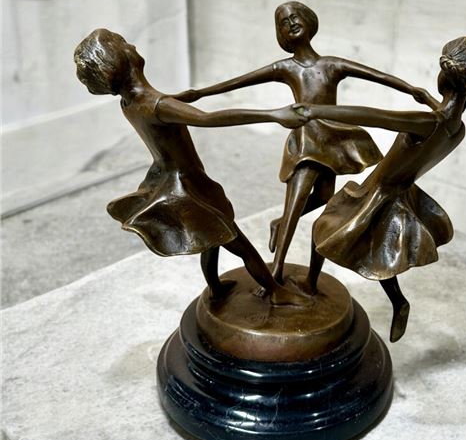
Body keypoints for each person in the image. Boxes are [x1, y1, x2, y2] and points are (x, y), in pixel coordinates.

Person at [173, 1, 432, 294]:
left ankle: (280, 222)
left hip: (333, 142)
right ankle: (276, 271)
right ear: (280, 34)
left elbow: (379, 76)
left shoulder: (332, 64)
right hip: (307, 143)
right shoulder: (285, 68)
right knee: (295, 206)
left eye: (295, 17)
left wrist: (414, 90)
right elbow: (237, 83)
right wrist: (197, 93)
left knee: (323, 199)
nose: (291, 23)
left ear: (309, 21)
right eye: (283, 22)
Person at [74, 28, 309, 306]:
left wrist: (178, 100)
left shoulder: (129, 103)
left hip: (166, 178)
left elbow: (161, 111)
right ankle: (275, 290)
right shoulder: (157, 104)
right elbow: (208, 118)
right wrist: (273, 114)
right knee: (238, 242)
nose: (132, 45)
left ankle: (216, 288)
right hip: (188, 184)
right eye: (123, 42)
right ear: (118, 60)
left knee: (211, 235)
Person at [296, 36, 466, 340]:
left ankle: (310, 284)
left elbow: (372, 116)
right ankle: (398, 302)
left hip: (376, 192)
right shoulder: (457, 130)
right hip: (403, 193)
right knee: (379, 254)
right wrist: (428, 100)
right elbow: (439, 121)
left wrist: (315, 111)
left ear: (444, 76)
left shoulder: (426, 122)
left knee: (322, 231)